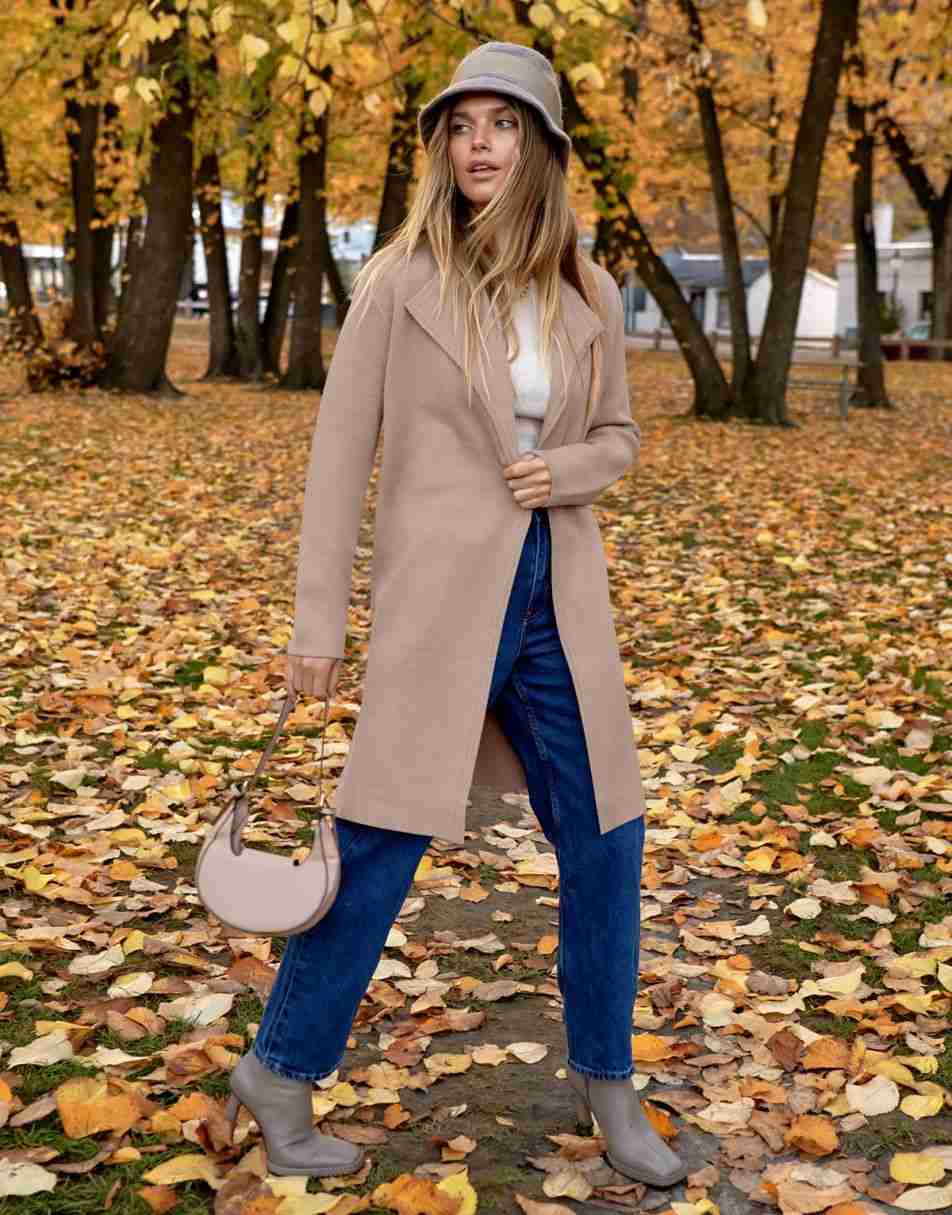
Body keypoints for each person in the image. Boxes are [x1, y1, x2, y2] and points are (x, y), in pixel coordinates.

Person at [226, 41, 689, 1189]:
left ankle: (606, 1083)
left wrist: (566, 469)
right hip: (436, 604)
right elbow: (339, 457)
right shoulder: (400, 282)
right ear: (442, 146)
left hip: (554, 594)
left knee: (608, 835)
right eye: (462, 125)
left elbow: (619, 437)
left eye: (504, 124)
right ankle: (280, 1071)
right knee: (380, 842)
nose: (480, 144)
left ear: (542, 147)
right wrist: (317, 626)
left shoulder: (586, 289)